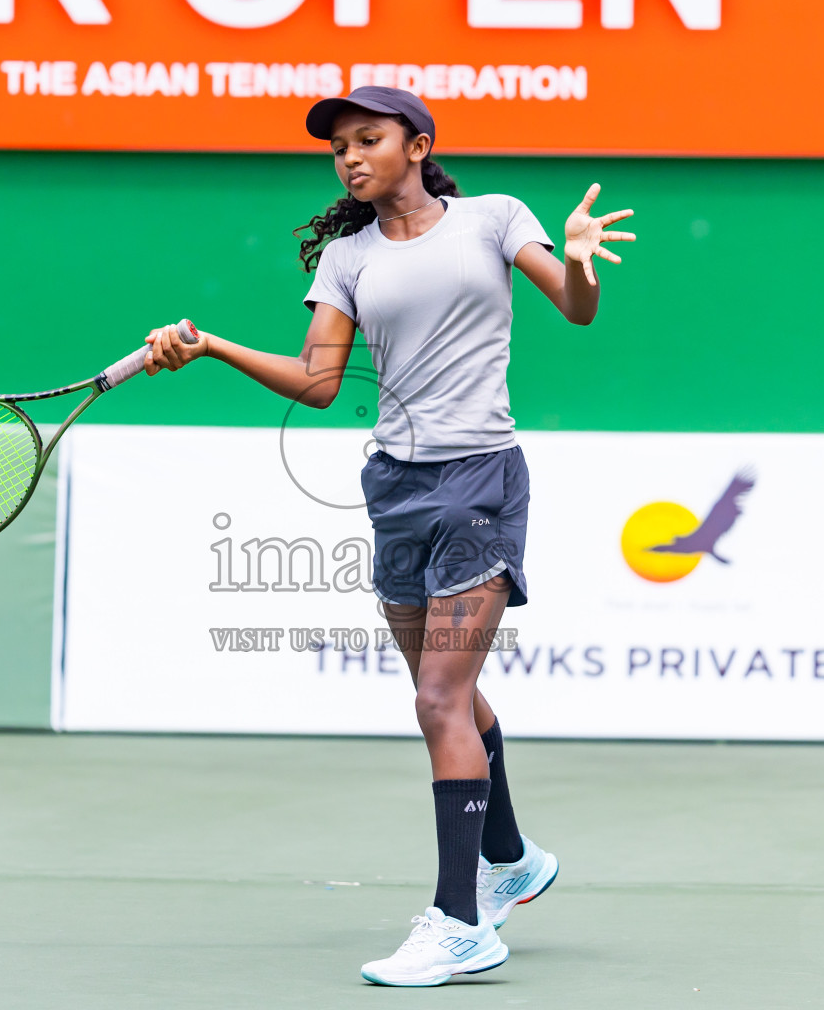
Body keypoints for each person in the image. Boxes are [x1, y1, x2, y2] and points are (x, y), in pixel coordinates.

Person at [141, 86, 634, 987]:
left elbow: (575, 306)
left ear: (420, 144)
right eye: (340, 150)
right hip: (395, 490)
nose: (351, 158)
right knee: (447, 692)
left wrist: (582, 260)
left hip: (480, 480)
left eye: (369, 140)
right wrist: (212, 346)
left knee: (439, 699)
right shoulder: (347, 259)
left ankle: (459, 923)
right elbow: (319, 383)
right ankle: (512, 860)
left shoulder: (493, 218)